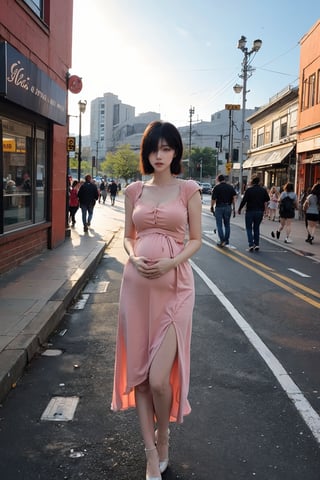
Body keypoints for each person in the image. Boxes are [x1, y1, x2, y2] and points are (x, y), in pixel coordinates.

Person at [111, 121, 202, 480]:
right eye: (153, 149)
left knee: (159, 378)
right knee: (143, 378)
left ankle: (164, 436)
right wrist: (132, 257)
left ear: (176, 151)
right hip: (136, 287)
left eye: (166, 149)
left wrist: (171, 261)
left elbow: (195, 239)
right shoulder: (134, 190)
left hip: (176, 287)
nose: (159, 155)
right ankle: (151, 453)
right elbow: (127, 236)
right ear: (146, 154)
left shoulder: (188, 190)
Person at [238, 175, 270, 252]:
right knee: (256, 227)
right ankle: (257, 244)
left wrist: (239, 209)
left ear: (252, 182)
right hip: (259, 211)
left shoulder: (249, 190)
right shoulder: (263, 190)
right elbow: (267, 200)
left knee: (248, 228)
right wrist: (265, 210)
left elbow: (244, 201)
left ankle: (251, 244)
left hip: (250, 211)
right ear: (259, 182)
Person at [210, 174, 237, 247]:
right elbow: (234, 198)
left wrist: (212, 206)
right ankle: (226, 240)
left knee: (219, 224)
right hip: (228, 207)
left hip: (219, 207)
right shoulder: (230, 187)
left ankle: (222, 240)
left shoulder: (217, 187)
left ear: (218, 179)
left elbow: (213, 199)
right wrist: (234, 208)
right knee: (227, 224)